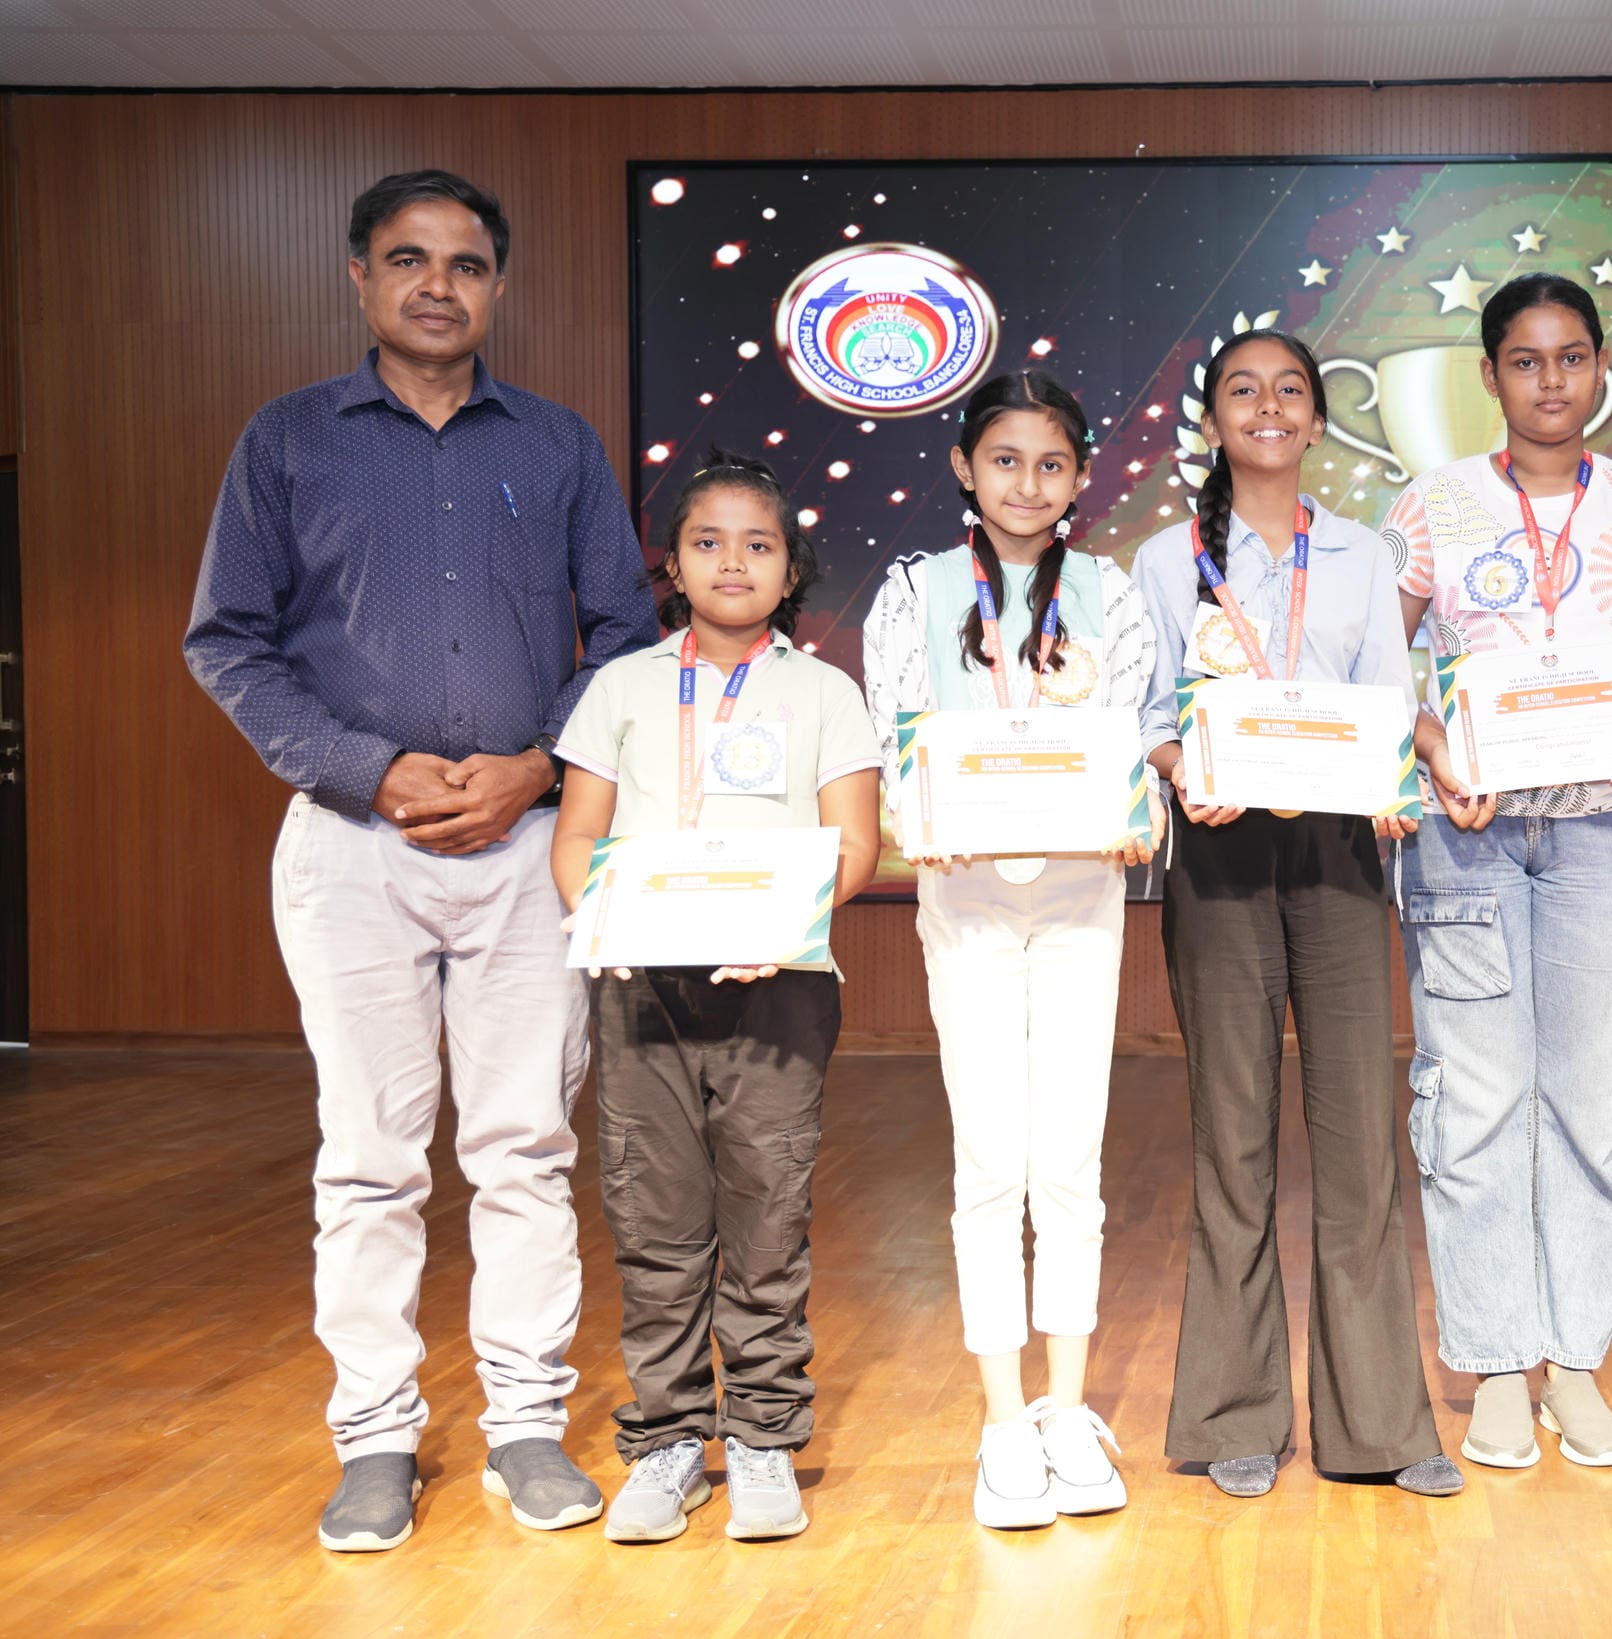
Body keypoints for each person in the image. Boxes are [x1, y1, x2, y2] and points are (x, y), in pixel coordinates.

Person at [183, 169, 659, 1551]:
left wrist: (540, 761)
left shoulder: (558, 445)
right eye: (408, 259)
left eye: (464, 262)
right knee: (369, 1157)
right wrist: (363, 765)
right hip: (352, 846)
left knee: (525, 1147)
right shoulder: (286, 443)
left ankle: (525, 1422)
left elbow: (625, 636)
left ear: (498, 285)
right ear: (360, 277)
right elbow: (227, 641)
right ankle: (376, 1437)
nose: (437, 284)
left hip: (528, 846)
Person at [1380, 273, 1612, 1470]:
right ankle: (1491, 1364)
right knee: (1474, 1107)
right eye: (1524, 361)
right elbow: (1380, 666)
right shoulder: (1431, 507)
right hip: (1465, 838)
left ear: (1600, 369)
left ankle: (1572, 1364)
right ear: (1489, 376)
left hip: (1603, 840)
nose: (1550, 380)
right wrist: (1434, 748)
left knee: (1587, 1105)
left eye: (1571, 357)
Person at [1131, 329, 1461, 1501]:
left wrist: (1397, 782)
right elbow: (1146, 714)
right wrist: (1184, 767)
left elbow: (1386, 701)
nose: (1267, 407)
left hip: (1335, 849)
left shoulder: (1362, 554)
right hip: (1218, 850)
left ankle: (1379, 1424)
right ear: (1212, 420)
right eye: (1242, 390)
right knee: (1232, 1137)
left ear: (1318, 420)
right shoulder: (1165, 560)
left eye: (1289, 391)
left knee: (1360, 1137)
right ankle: (1235, 1411)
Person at [551, 450, 882, 1542]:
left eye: (758, 543)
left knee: (766, 1217)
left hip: (778, 986)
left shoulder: (824, 692)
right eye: (707, 541)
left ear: (792, 567)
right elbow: (576, 837)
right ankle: (666, 1443)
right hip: (641, 986)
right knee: (654, 1221)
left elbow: (855, 843)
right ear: (674, 563)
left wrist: (779, 927)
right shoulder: (621, 686)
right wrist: (605, 918)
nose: (732, 561)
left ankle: (765, 1437)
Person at [860, 372, 1156, 1531]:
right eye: (1004, 460)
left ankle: (1066, 1410)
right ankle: (1000, 1421)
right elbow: (895, 736)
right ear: (963, 468)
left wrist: (1131, 814)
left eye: (1050, 463)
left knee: (1070, 1163)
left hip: (1081, 893)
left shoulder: (1110, 592)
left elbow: (1133, 735)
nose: (1026, 483)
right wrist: (917, 819)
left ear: (1079, 476)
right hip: (968, 896)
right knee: (989, 1164)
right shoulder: (914, 590)